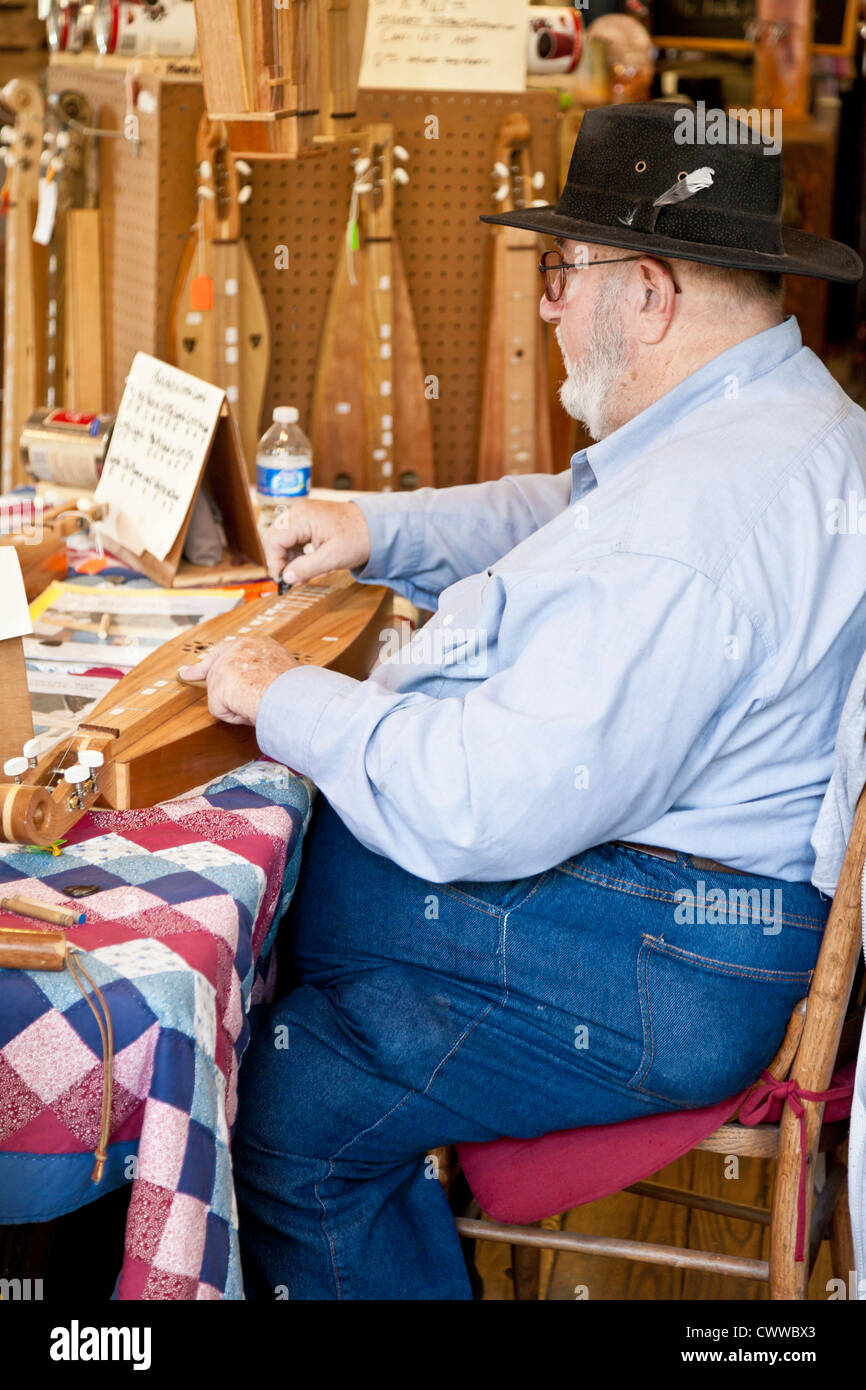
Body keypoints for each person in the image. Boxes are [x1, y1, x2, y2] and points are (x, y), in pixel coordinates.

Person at [181, 102, 866, 1299]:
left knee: (280, 1009)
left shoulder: (692, 530)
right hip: (707, 916)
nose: (546, 303)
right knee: (296, 900)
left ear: (646, 294)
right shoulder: (776, 413)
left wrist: (281, 690)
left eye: (561, 271)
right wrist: (378, 527)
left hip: (674, 956)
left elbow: (470, 804)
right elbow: (574, 512)